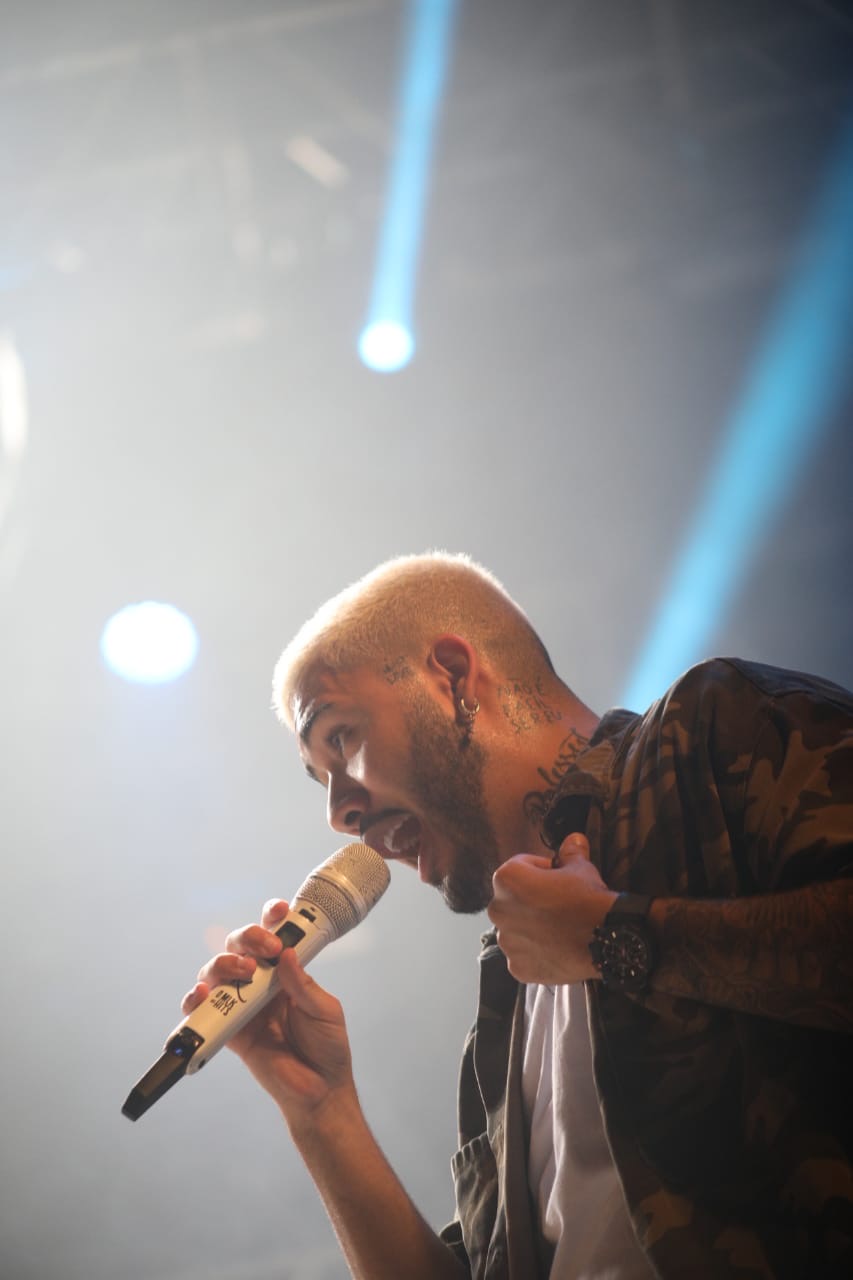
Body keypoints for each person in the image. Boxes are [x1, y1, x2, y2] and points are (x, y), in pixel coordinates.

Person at [182, 552, 853, 1279]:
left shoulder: (712, 730)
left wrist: (612, 938)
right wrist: (321, 1115)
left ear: (451, 675)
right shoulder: (503, 1017)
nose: (339, 811)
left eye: (340, 737)